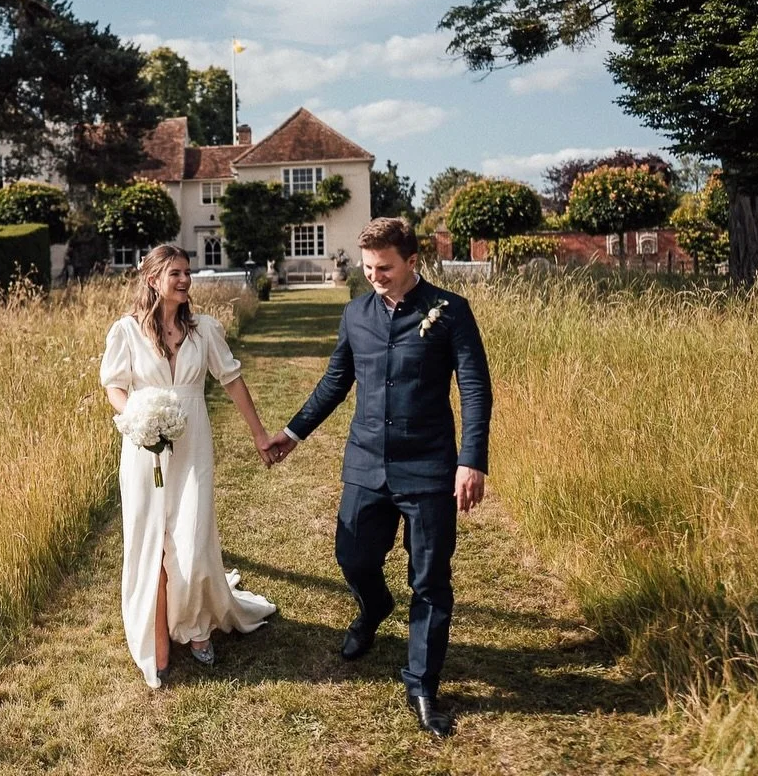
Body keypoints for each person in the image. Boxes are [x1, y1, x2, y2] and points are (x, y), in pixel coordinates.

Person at [264, 218, 492, 738]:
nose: (375, 277)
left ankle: (422, 685)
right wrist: (292, 433)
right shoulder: (355, 313)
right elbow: (335, 381)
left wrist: (471, 459)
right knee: (353, 556)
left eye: (384, 267)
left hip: (430, 466)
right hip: (366, 461)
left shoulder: (451, 312)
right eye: (368, 268)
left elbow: (476, 389)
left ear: (413, 261)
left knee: (430, 579)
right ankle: (374, 607)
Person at [100, 245, 277, 688]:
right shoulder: (126, 332)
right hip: (145, 448)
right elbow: (115, 387)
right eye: (175, 273)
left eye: (187, 273)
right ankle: (154, 632)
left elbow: (232, 381)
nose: (184, 280)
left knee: (192, 542)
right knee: (150, 542)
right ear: (152, 279)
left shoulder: (205, 331)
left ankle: (197, 629)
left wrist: (258, 434)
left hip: (193, 441)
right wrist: (136, 420)